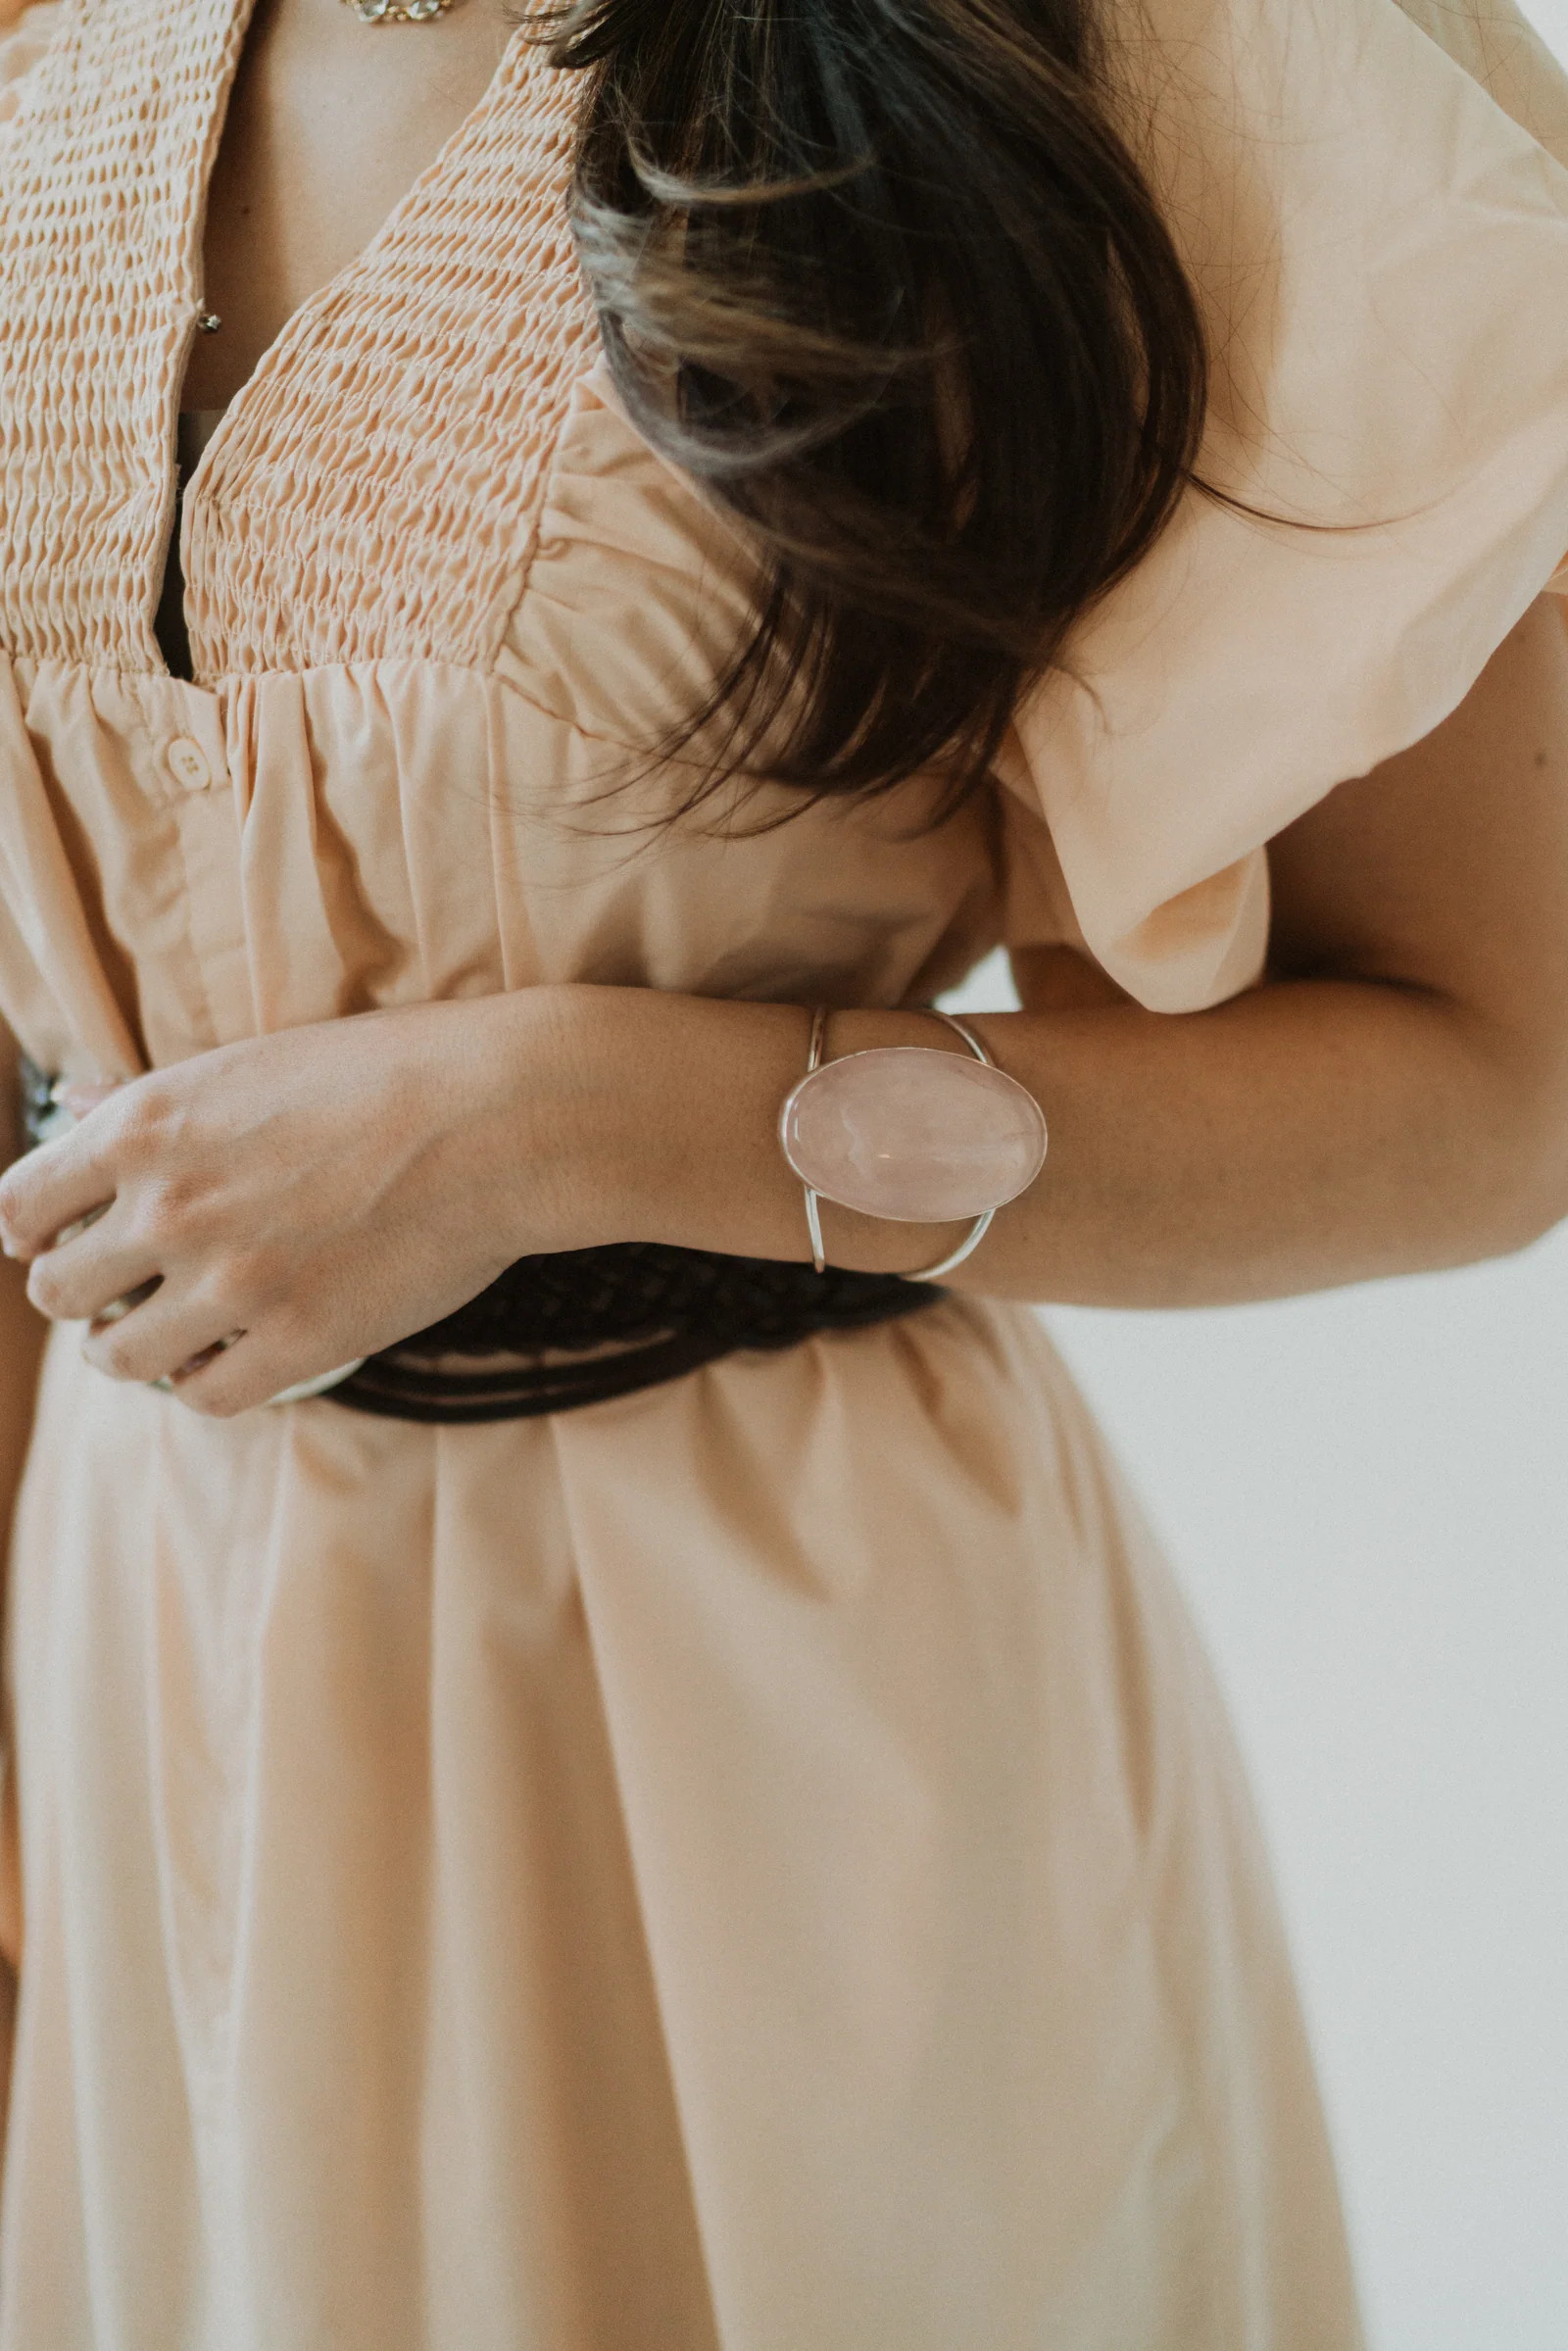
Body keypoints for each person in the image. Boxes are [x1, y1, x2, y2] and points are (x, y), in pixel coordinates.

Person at [1, 0, 1567, 2338]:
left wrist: (548, 1119)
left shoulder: (1155, 46)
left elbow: (1484, 1081)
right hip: (142, 1686)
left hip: (780, 1732)